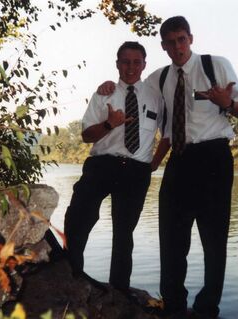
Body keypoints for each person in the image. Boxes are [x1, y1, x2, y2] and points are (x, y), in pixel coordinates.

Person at [97, 16, 238, 319]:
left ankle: (207, 309)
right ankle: (174, 305)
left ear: (190, 39)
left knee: (214, 238)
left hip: (214, 158)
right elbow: (133, 86)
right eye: (171, 42)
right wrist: (108, 85)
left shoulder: (215, 65)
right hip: (179, 160)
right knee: (170, 236)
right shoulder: (160, 77)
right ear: (164, 46)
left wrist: (228, 104)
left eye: (182, 39)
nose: (177, 46)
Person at [64, 41, 164, 296]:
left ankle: (119, 291)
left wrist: (154, 163)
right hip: (102, 165)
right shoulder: (103, 93)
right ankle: (72, 276)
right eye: (125, 61)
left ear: (144, 65)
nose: (130, 67)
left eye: (136, 62)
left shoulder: (156, 97)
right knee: (79, 218)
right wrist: (109, 124)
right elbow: (86, 135)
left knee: (124, 232)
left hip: (136, 171)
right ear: (117, 63)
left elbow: (169, 135)